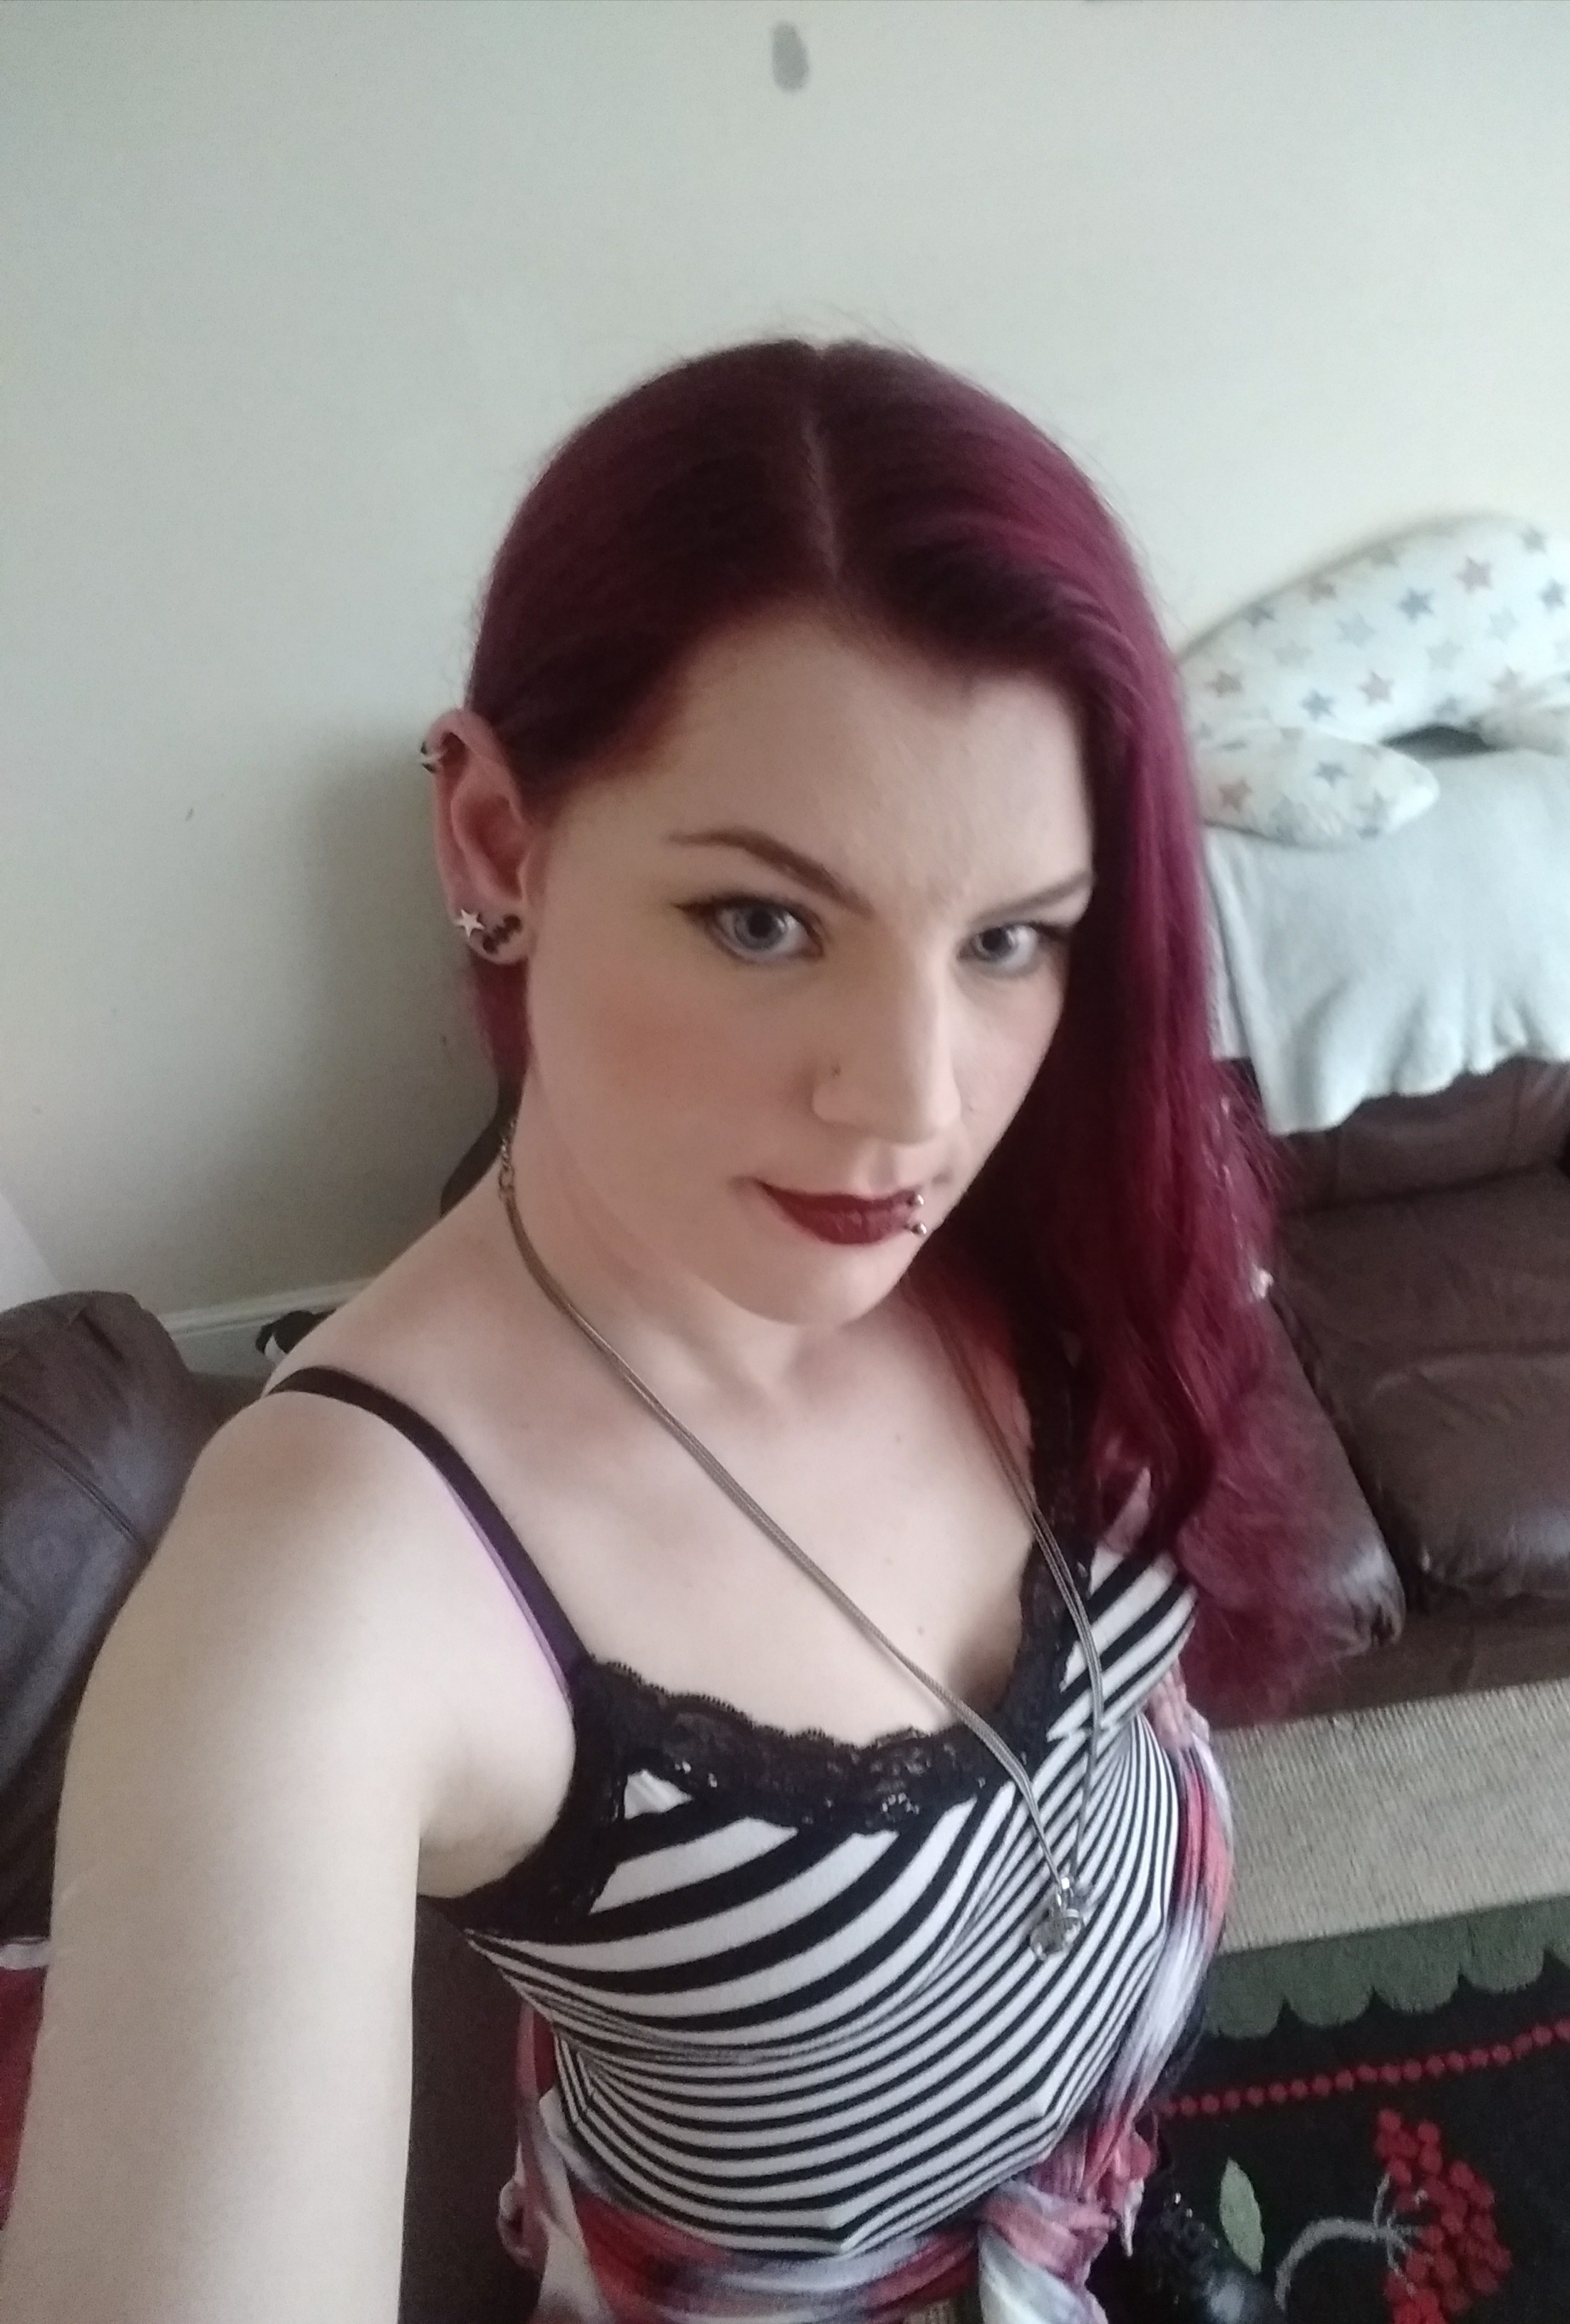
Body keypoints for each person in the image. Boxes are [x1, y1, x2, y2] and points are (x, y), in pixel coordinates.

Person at [0, 341, 1334, 2324]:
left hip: (1095, 2159)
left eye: (1006, 938)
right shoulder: (326, 1591)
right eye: (763, 923)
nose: (911, 1106)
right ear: (496, 843)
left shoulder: (1037, 1210)